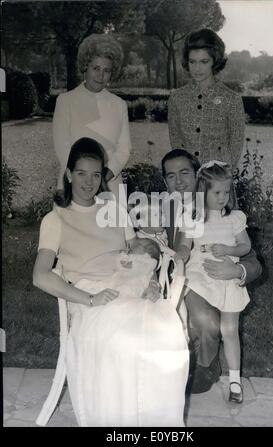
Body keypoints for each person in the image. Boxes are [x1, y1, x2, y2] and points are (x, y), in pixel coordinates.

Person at [33, 137, 189, 427]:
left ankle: (155, 423)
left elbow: (139, 253)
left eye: (95, 174)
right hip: (91, 296)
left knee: (166, 333)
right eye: (81, 173)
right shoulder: (56, 220)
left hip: (131, 285)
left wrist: (151, 280)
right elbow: (40, 275)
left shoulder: (114, 211)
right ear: (68, 175)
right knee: (126, 340)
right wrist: (89, 298)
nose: (88, 182)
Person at [161, 149, 262, 393]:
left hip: (211, 280)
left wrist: (236, 270)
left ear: (198, 177)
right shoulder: (159, 209)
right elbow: (145, 242)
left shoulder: (225, 213)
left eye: (185, 172)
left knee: (207, 322)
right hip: (172, 280)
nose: (179, 181)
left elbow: (253, 262)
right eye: (171, 175)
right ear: (165, 181)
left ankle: (204, 366)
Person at [178, 160, 251, 403]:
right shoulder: (193, 217)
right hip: (201, 272)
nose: (223, 197)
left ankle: (235, 382)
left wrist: (228, 248)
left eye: (226, 192)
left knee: (229, 330)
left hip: (227, 273)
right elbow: (185, 246)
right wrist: (179, 256)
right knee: (198, 312)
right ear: (203, 192)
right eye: (217, 192)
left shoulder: (234, 218)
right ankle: (190, 367)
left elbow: (245, 247)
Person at [53, 33, 131, 200]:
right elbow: (62, 148)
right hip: (74, 186)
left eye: (107, 70)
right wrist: (85, 179)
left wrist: (103, 178)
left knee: (114, 226)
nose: (100, 75)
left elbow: (124, 149)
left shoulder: (119, 104)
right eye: (95, 68)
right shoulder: (66, 101)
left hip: (110, 186)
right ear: (85, 67)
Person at [168, 29, 245, 169]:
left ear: (215, 61)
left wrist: (219, 179)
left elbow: (236, 146)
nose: (197, 68)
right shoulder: (176, 99)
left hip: (219, 184)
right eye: (192, 62)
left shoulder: (232, 100)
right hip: (187, 183)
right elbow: (176, 145)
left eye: (204, 61)